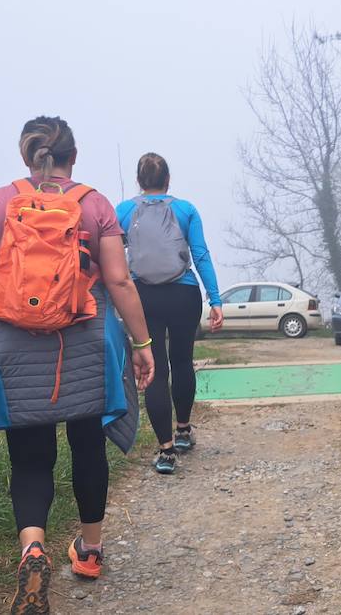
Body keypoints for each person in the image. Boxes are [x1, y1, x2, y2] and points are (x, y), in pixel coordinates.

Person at [0, 116, 155, 614]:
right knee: (87, 446)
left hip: (17, 342)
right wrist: (142, 342)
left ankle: (33, 547)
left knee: (31, 455)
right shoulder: (96, 203)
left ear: (27, 156)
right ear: (73, 157)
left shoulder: (0, 202)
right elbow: (120, 282)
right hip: (87, 342)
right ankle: (89, 550)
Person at [116, 152, 224, 475]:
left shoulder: (122, 211)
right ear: (167, 181)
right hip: (183, 293)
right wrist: (215, 298)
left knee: (155, 371)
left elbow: (110, 259)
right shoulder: (186, 209)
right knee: (181, 361)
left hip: (142, 296)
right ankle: (183, 431)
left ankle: (165, 452)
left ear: (139, 181)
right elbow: (200, 254)